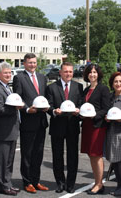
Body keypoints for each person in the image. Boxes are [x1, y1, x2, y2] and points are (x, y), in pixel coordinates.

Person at [12, 53, 49, 193]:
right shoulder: (19, 78)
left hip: (41, 121)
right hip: (28, 121)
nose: (33, 65)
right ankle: (27, 182)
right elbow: (17, 99)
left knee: (38, 154)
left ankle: (36, 180)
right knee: (27, 154)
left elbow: (45, 97)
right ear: (24, 63)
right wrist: (27, 109)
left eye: (34, 62)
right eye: (30, 63)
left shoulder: (42, 77)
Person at [46, 62, 83, 193]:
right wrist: (54, 111)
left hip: (72, 126)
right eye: (66, 71)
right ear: (60, 73)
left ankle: (70, 184)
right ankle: (60, 183)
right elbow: (48, 106)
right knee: (57, 156)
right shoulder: (51, 88)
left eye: (70, 72)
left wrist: (78, 111)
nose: (68, 74)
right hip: (57, 126)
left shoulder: (79, 87)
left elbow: (81, 104)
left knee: (73, 156)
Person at [0, 62, 21, 196]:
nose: (8, 75)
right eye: (5, 73)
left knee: (9, 160)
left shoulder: (7, 87)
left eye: (10, 72)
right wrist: (15, 107)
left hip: (11, 130)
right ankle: (3, 186)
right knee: (3, 161)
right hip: (2, 131)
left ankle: (8, 184)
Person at [80, 64, 110, 195]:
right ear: (87, 75)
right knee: (90, 154)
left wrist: (95, 115)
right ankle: (97, 181)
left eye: (94, 72)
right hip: (86, 126)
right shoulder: (86, 90)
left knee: (96, 155)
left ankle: (99, 184)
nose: (92, 74)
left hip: (97, 126)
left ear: (98, 74)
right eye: (90, 72)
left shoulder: (103, 89)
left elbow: (106, 108)